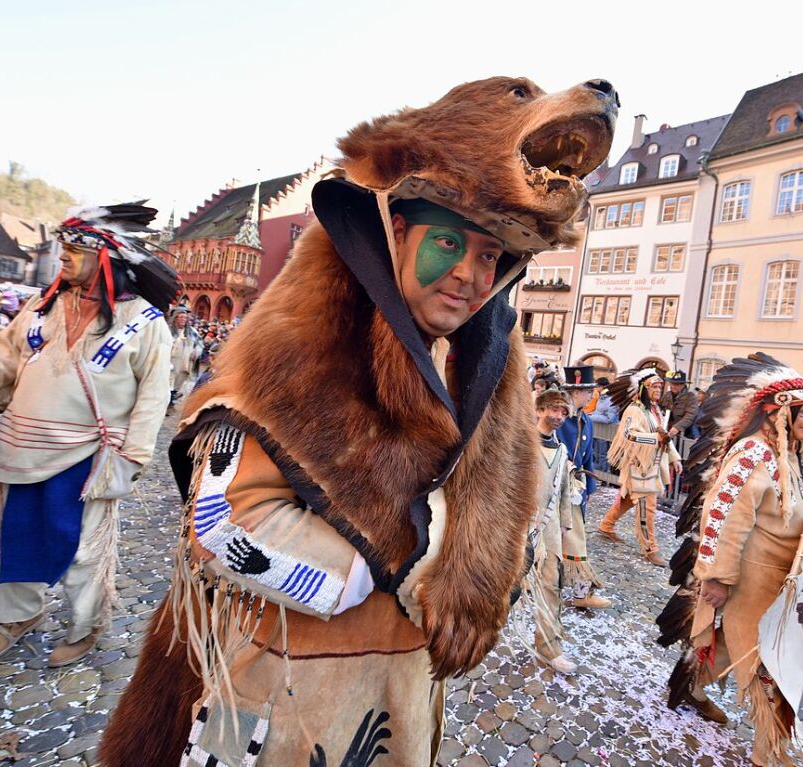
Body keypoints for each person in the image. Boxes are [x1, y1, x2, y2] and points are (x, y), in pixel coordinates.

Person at [99, 75, 617, 766]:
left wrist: (489, 567)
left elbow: (507, 524)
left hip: (400, 694)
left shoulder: (477, 372)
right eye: (449, 245)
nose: (468, 273)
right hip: (275, 685)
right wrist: (419, 566)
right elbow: (223, 523)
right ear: (397, 235)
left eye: (489, 256)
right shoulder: (297, 348)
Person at [0, 204, 178, 667]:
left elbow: (153, 397)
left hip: (91, 450)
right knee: (14, 535)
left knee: (82, 549)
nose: (63, 258)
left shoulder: (145, 324)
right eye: (63, 247)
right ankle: (16, 617)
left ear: (107, 258)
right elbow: (0, 362)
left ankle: (85, 626)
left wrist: (132, 457)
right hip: (22, 444)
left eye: (75, 249)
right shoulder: (41, 306)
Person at [658, 352, 803, 767]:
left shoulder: (789, 455)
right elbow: (723, 517)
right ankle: (768, 752)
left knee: (737, 647)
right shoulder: (752, 453)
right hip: (750, 580)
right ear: (779, 413)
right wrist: (716, 577)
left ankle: (692, 686)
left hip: (779, 582)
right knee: (766, 663)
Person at [598, 368, 682, 566]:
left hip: (651, 465)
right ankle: (650, 548)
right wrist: (655, 438)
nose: (659, 390)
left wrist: (674, 458)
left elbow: (664, 438)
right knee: (648, 507)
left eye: (661, 387)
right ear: (644, 387)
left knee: (627, 499)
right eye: (655, 386)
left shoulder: (655, 411)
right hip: (639, 466)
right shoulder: (634, 410)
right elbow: (628, 434)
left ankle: (606, 525)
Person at [528, 387, 580, 675]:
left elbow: (562, 493)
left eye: (563, 411)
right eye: (553, 409)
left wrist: (564, 525)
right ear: (539, 410)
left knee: (551, 587)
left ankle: (548, 648)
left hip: (548, 532)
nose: (559, 416)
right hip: (519, 528)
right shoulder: (522, 443)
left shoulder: (560, 451)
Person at [556, 365, 610, 610]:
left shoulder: (585, 419)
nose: (591, 397)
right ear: (576, 391)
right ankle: (579, 591)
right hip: (556, 488)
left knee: (571, 539)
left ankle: (580, 591)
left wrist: (589, 487)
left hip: (575, 490)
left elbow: (587, 458)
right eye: (588, 392)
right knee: (563, 541)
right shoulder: (558, 417)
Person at [167, 307, 203, 406]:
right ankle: (167, 400)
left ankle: (173, 396)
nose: (183, 320)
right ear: (175, 318)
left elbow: (200, 345)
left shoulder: (192, 332)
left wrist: (196, 352)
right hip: (169, 361)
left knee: (178, 381)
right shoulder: (167, 330)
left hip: (184, 363)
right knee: (168, 381)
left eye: (184, 318)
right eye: (180, 318)